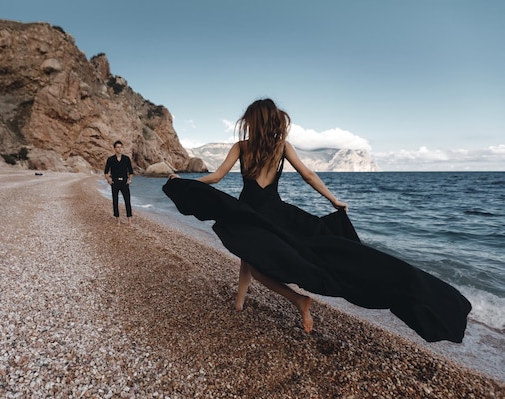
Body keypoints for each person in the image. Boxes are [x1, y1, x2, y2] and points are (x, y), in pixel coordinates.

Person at [163, 98, 471, 343]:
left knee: (254, 263)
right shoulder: (282, 148)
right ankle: (240, 304)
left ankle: (299, 301)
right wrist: (333, 200)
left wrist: (184, 183)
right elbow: (308, 175)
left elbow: (216, 177)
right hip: (277, 212)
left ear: (251, 122)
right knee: (252, 256)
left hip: (250, 211)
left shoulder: (241, 147)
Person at [104, 140, 134, 225]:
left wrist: (129, 180)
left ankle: (129, 220)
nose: (119, 149)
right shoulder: (110, 159)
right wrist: (109, 180)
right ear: (114, 148)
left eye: (121, 147)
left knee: (127, 201)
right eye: (117, 147)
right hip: (115, 182)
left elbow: (131, 172)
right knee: (115, 201)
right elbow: (106, 172)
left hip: (124, 182)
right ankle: (118, 220)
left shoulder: (126, 159)